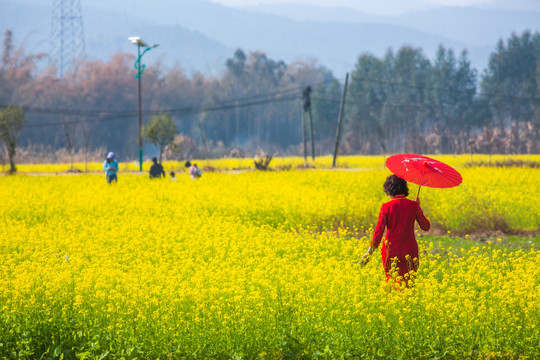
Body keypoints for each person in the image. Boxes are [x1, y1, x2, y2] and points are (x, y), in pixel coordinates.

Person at [360, 174, 430, 286]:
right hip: (410, 250)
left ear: (389, 190)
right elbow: (426, 227)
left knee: (391, 283)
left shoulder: (386, 207)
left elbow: (378, 233)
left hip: (390, 250)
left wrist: (369, 253)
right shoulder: (413, 205)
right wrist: (418, 206)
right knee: (409, 284)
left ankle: (394, 302)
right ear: (404, 188)